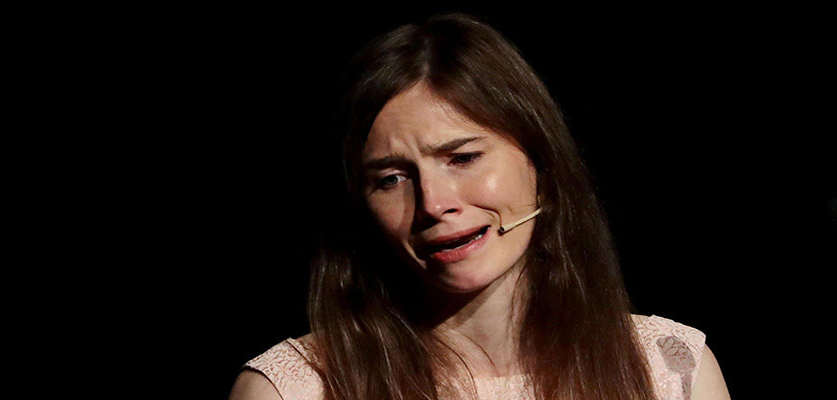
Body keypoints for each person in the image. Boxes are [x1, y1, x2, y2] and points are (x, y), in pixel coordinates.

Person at [229, 13, 730, 400]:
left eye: (463, 157)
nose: (434, 204)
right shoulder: (296, 387)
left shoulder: (669, 369)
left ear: (540, 164)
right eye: (392, 178)